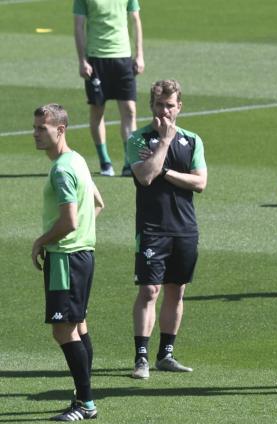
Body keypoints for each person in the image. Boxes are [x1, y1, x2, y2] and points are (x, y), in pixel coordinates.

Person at [126, 79, 207, 379]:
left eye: (170, 106)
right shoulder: (138, 140)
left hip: (185, 228)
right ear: (152, 106)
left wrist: (167, 170)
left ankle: (166, 354)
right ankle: (141, 357)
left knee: (176, 290)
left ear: (179, 107)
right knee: (149, 290)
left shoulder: (193, 140)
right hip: (151, 228)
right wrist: (164, 143)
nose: (164, 111)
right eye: (159, 105)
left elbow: (200, 182)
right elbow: (146, 177)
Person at [31, 104, 105, 421]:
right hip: (83, 255)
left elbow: (70, 221)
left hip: (65, 259)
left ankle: (85, 403)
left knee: (62, 331)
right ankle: (83, 395)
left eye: (41, 129)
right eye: (35, 128)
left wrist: (41, 241)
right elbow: (98, 203)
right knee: (78, 326)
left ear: (60, 130)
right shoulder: (77, 160)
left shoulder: (62, 169)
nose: (35, 134)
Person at [74, 0, 145, 177]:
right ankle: (104, 161)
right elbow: (78, 25)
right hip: (96, 59)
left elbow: (135, 20)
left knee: (129, 110)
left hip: (123, 57)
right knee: (97, 110)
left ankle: (129, 161)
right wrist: (82, 60)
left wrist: (140, 55)